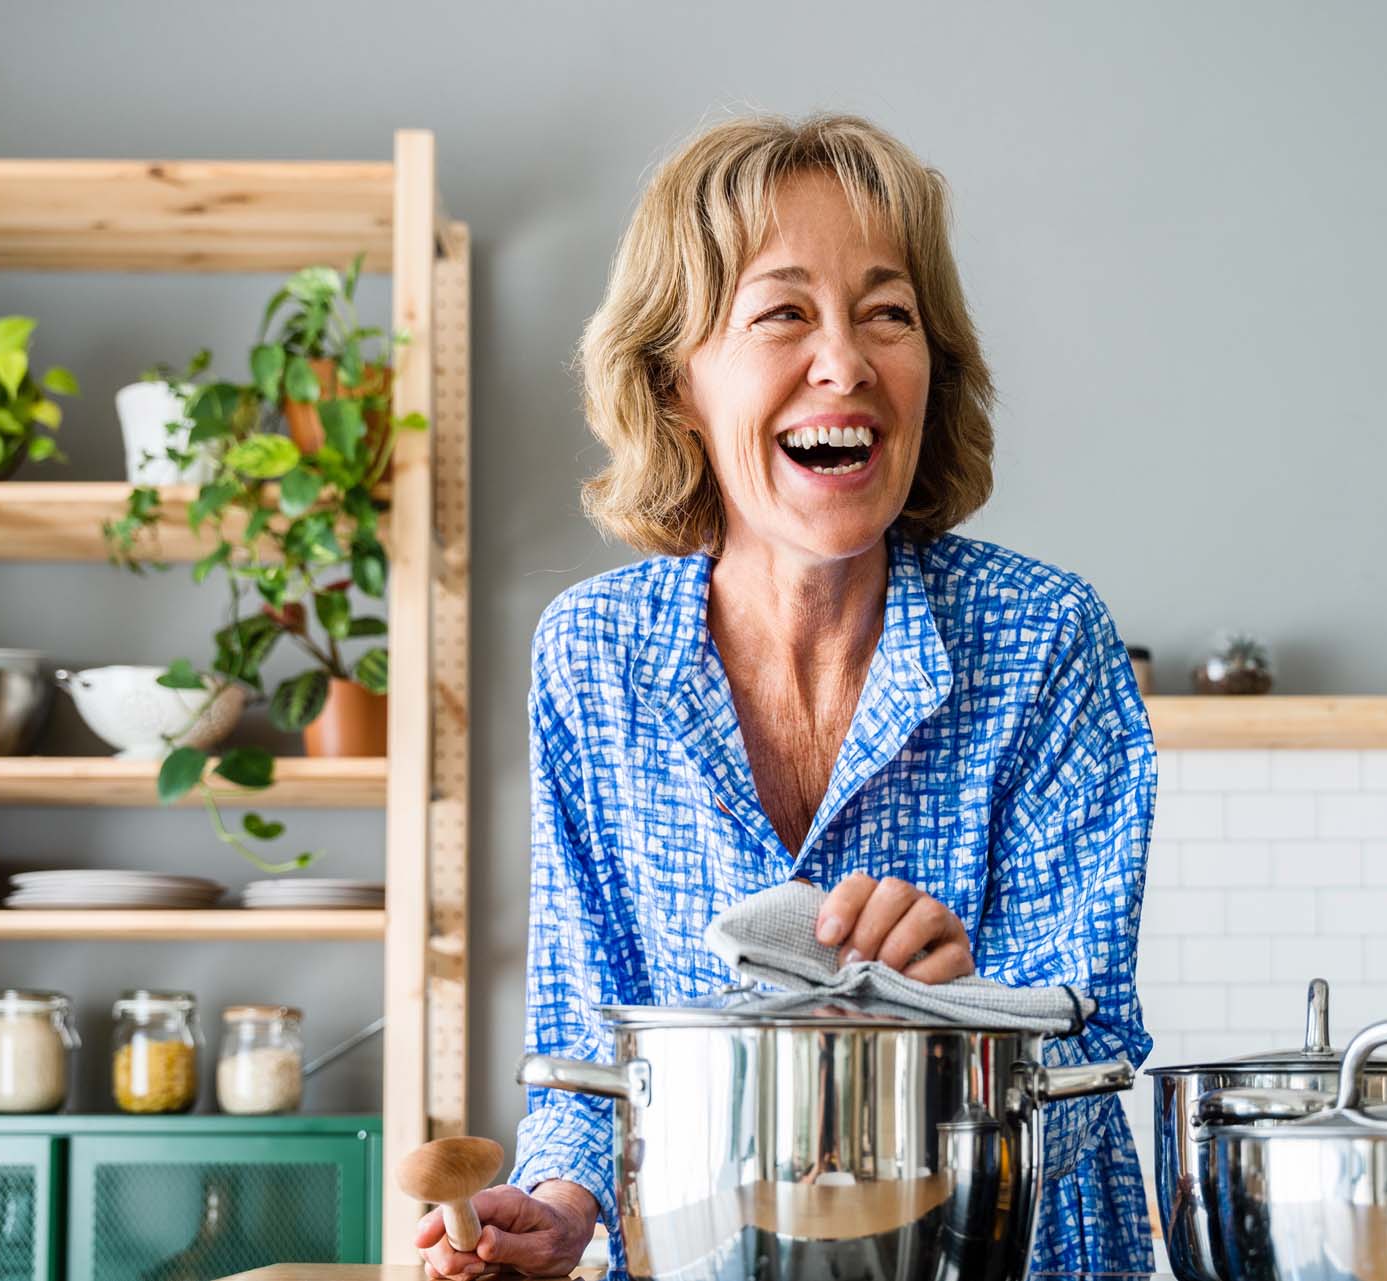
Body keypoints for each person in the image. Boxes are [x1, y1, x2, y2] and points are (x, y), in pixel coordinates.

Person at [416, 111, 1156, 1280]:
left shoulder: (1044, 640)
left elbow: (1093, 1052)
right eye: (783, 312)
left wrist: (964, 1029)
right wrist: (561, 1209)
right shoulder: (595, 656)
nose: (846, 362)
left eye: (887, 314)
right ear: (677, 383)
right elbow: (587, 1041)